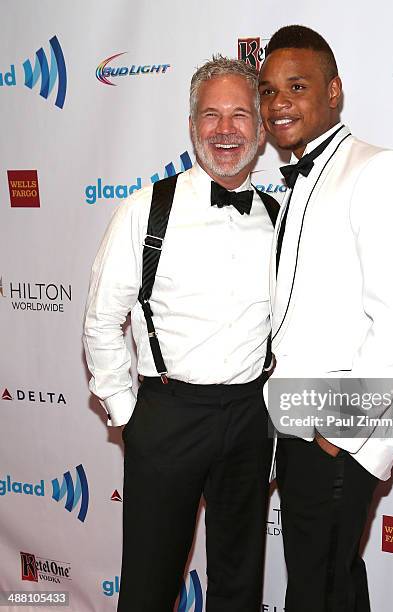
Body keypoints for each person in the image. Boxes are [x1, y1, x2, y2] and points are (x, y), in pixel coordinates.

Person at [84, 56, 278, 612]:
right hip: (167, 414)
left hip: (249, 417)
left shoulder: (278, 217)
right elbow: (101, 316)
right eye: (211, 115)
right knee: (149, 582)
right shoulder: (147, 209)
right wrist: (128, 414)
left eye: (241, 115)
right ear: (192, 127)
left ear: (262, 129)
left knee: (239, 584)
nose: (226, 130)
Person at [259, 25, 393, 612]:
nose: (278, 102)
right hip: (297, 422)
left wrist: (337, 432)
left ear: (334, 92)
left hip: (335, 431)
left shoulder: (378, 171)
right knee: (331, 586)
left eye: (296, 86)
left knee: (316, 591)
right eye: (268, 89)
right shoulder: (301, 181)